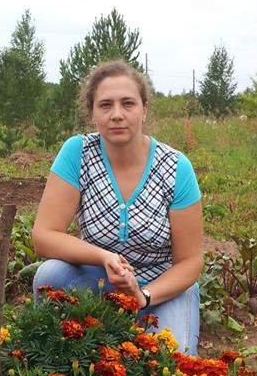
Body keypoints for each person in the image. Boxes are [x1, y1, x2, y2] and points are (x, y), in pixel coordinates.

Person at [31, 60, 203, 353]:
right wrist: (103, 257)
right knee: (50, 277)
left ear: (144, 110)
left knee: (169, 364)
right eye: (106, 105)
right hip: (100, 277)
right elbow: (44, 235)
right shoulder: (78, 153)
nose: (117, 115)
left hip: (160, 285)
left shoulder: (175, 167)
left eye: (128, 104)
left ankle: (139, 323)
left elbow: (190, 262)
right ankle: (62, 353)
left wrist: (143, 296)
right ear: (93, 114)